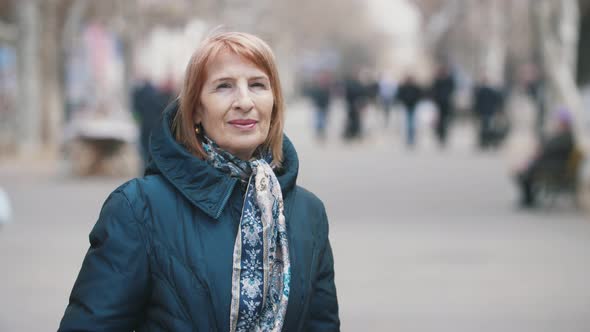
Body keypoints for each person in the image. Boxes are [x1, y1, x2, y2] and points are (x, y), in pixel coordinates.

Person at [58, 31, 340, 331]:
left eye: (257, 85)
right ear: (195, 110)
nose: (244, 101)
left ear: (274, 102)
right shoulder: (139, 208)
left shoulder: (308, 213)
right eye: (224, 87)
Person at [515, 109, 576, 207]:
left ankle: (528, 199)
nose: (556, 123)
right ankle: (529, 198)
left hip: (552, 168)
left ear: (564, 122)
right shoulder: (564, 135)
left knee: (522, 173)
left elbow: (547, 150)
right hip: (550, 165)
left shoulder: (565, 137)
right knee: (522, 171)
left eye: (558, 121)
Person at [430, 64, 455, 147]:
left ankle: (443, 136)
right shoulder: (437, 80)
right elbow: (433, 91)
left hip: (446, 104)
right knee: (439, 121)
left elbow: (452, 90)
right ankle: (440, 136)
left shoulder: (449, 80)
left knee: (445, 121)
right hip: (438, 104)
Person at [396, 74, 423, 147]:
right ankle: (409, 139)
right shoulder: (404, 87)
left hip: (413, 106)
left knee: (412, 124)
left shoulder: (415, 87)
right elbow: (400, 95)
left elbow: (419, 95)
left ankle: (412, 139)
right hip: (406, 106)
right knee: (408, 124)